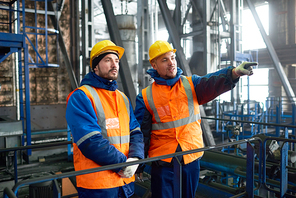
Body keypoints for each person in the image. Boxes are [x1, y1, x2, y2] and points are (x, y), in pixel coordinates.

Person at [134, 40, 257, 198]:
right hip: (164, 162)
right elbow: (141, 134)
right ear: (154, 65)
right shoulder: (145, 96)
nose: (171, 63)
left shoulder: (191, 84)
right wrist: (139, 165)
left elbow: (212, 82)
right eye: (164, 60)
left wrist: (234, 73)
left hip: (191, 157)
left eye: (172, 57)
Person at [66, 40, 144, 198]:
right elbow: (90, 141)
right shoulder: (81, 96)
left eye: (116, 61)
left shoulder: (123, 98)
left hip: (125, 182)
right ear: (95, 66)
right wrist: (123, 163)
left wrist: (136, 158)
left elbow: (135, 131)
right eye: (108, 60)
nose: (114, 65)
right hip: (97, 185)